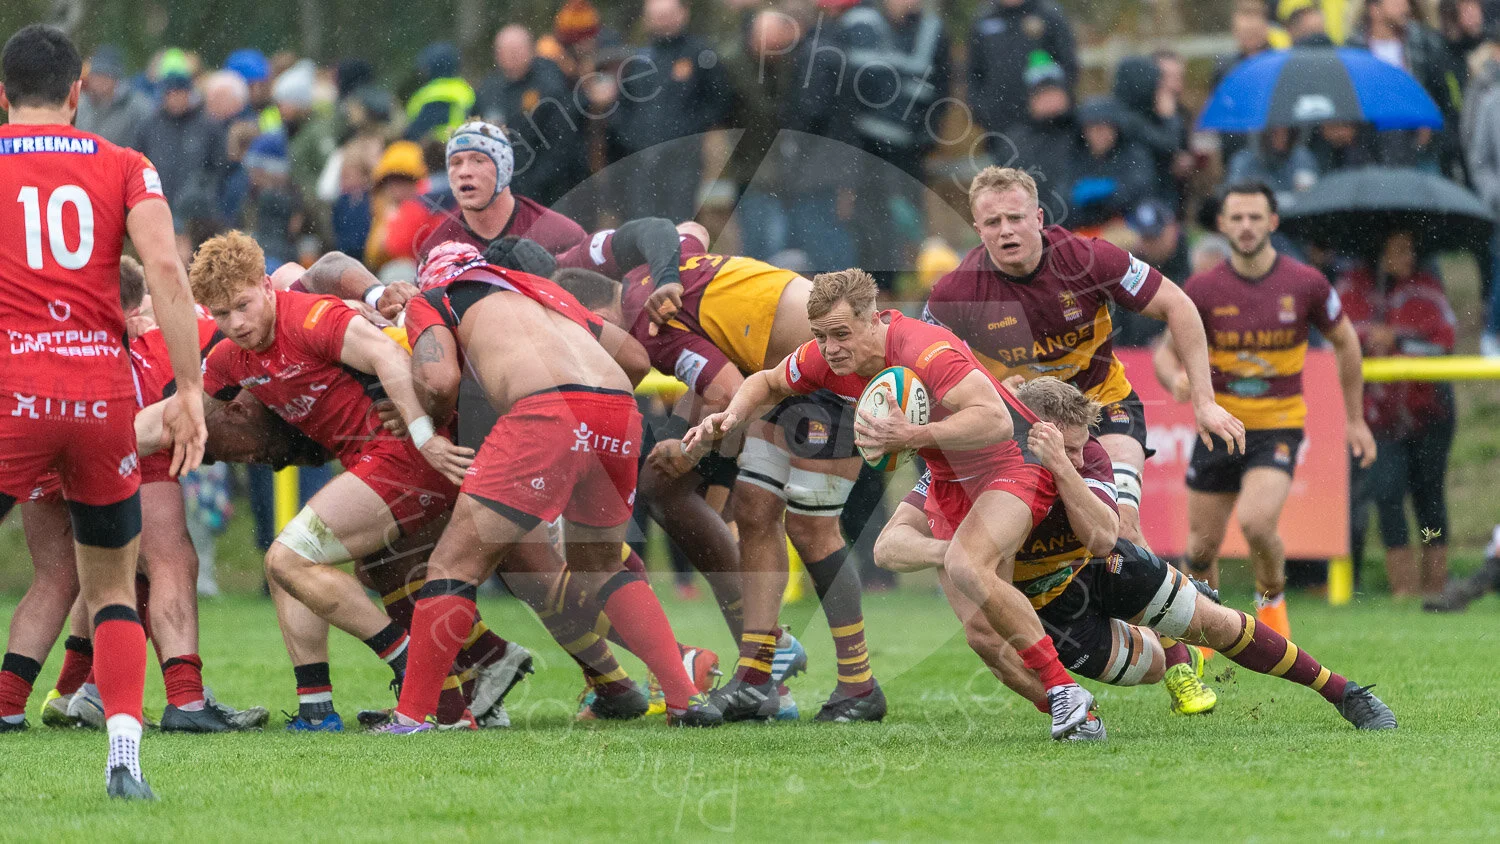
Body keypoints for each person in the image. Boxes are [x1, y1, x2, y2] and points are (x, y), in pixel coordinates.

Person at [685, 268, 1104, 741]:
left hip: (1015, 460)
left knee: (968, 564)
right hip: (950, 478)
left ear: (873, 320)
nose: (831, 348)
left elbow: (995, 421)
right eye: (821, 336)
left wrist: (915, 435)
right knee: (984, 636)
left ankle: (1065, 687)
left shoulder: (924, 350)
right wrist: (730, 417)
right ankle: (1077, 716)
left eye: (841, 334)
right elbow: (766, 382)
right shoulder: (827, 357)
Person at [876, 377, 1398, 731]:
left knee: (1214, 624)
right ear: (1023, 434)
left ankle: (1343, 692)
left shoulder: (1087, 458)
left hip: (1104, 568)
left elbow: (1104, 539)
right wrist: (960, 548)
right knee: (1147, 669)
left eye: (1083, 446)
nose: (1083, 456)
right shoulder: (968, 472)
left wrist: (1062, 467)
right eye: (1069, 447)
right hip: (1053, 612)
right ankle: (1100, 703)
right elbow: (888, 546)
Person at [374, 242, 723, 731]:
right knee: (601, 564)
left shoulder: (434, 298)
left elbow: (438, 380)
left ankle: (412, 717)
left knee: (452, 564)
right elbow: (636, 359)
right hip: (618, 413)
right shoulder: (541, 290)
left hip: (544, 412)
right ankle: (686, 698)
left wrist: (432, 421)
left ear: (430, 276)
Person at [135, 231, 473, 730]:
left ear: (266, 285)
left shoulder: (310, 315)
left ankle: (414, 668)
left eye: (243, 305)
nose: (237, 323)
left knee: (288, 557)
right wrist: (100, 448)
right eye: (223, 314)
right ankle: (317, 709)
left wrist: (425, 438)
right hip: (376, 465)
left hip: (408, 457)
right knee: (286, 567)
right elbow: (173, 416)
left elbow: (387, 356)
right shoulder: (231, 358)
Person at [554, 220, 884, 721]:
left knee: (812, 529)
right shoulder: (655, 271)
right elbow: (691, 229)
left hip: (834, 370)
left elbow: (727, 395)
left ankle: (859, 683)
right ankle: (756, 674)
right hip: (779, 376)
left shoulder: (650, 324)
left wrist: (688, 454)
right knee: (752, 511)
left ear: (600, 317)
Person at [0, 23, 208, 799]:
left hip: (11, 388)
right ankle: (124, 756)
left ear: (2, 94)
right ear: (78, 91)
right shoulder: (126, 163)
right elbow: (163, 268)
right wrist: (188, 390)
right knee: (114, 584)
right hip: (98, 395)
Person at [924, 166, 1244, 551]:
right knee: (1028, 545)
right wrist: (985, 391)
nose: (1006, 230)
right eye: (993, 222)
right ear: (978, 230)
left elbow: (1179, 305)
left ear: (1038, 218)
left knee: (1120, 529)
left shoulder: (1087, 259)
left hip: (1104, 407)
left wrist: (1204, 401)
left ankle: (1173, 608)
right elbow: (928, 367)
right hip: (1022, 426)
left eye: (1015, 218)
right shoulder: (956, 292)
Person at [1156, 181, 1376, 638]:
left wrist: (1354, 419)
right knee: (1199, 549)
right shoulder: (1202, 288)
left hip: (1277, 427)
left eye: (1256, 217)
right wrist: (1174, 378)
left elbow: (1347, 342)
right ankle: (1205, 633)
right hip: (1218, 428)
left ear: (1273, 222)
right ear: (1222, 225)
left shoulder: (1306, 283)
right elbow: (1163, 354)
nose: (1246, 226)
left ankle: (1271, 599)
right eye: (1236, 218)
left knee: (1257, 523)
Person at [1337, 230, 1456, 600]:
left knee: (1430, 498)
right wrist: (1368, 334)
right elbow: (1335, 335)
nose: (1407, 256)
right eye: (1397, 249)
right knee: (1387, 496)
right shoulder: (1352, 289)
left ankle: (1435, 588)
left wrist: (1397, 338)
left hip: (1428, 413)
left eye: (1410, 248)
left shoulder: (1428, 289)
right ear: (1378, 252)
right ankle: (1402, 589)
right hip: (1378, 418)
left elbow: (1444, 342)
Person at [602, 0, 733, 221]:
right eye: (655, 16)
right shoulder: (638, 57)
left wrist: (689, 129)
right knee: (642, 221)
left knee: (679, 220)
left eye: (668, 14)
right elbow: (621, 105)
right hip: (641, 158)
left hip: (683, 158)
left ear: (683, 14)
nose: (662, 21)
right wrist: (630, 137)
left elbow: (720, 100)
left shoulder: (700, 53)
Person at [413, 121, 586, 262]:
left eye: (478, 160)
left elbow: (598, 302)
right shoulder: (436, 249)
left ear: (504, 169)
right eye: (456, 163)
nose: (464, 172)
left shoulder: (560, 235)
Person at [474, 25, 586, 208]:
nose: (512, 55)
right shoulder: (488, 89)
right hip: (499, 191)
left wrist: (532, 185)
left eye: (517, 49)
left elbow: (561, 144)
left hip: (546, 192)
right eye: (506, 50)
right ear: (497, 54)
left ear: (531, 49)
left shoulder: (550, 86)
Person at [967, 0, 1079, 145]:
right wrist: (982, 111)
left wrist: (1056, 97)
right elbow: (974, 72)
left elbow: (1068, 64)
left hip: (1047, 125)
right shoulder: (983, 20)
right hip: (999, 127)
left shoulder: (1049, 14)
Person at [74, 45, 153, 148]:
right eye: (96, 76)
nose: (99, 81)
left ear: (116, 79)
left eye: (105, 76)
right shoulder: (79, 105)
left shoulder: (138, 108)